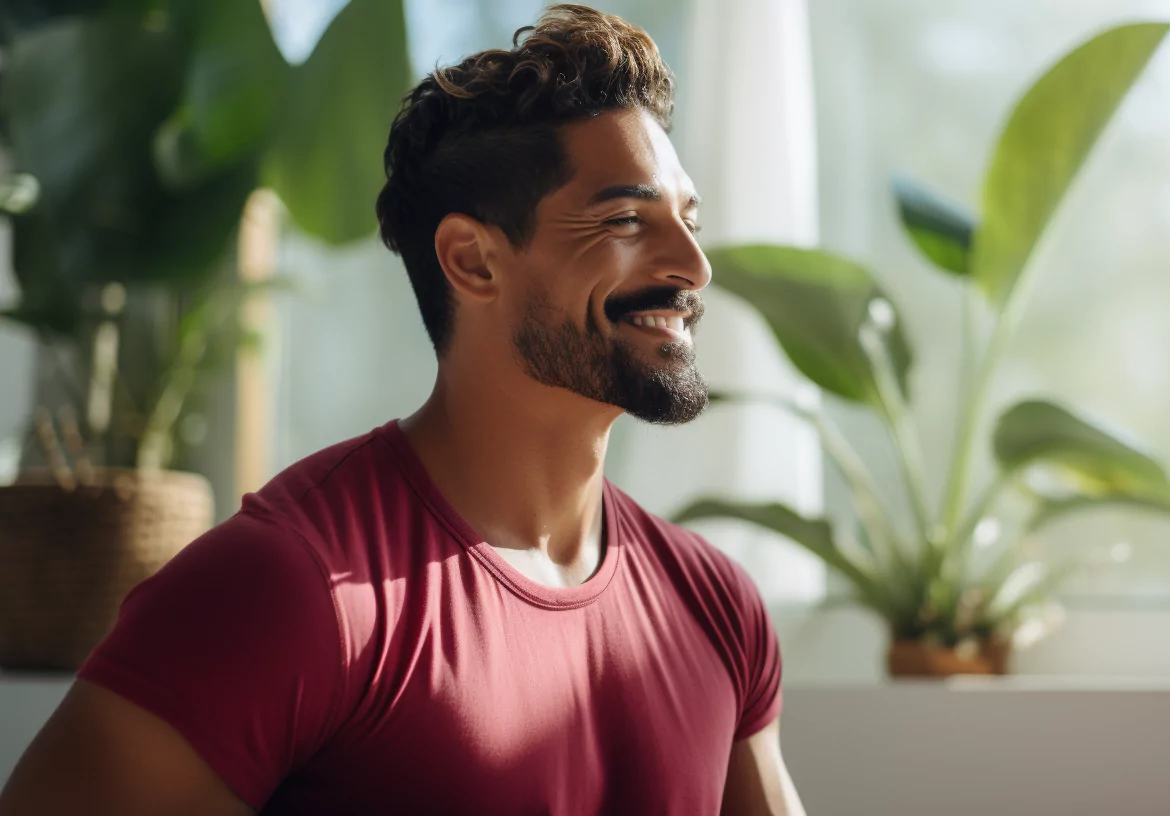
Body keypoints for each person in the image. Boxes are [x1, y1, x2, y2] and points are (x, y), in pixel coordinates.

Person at [0, 5, 806, 814]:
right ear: (472, 260)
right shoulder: (291, 589)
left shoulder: (718, 608)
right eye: (627, 220)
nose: (692, 266)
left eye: (688, 223)